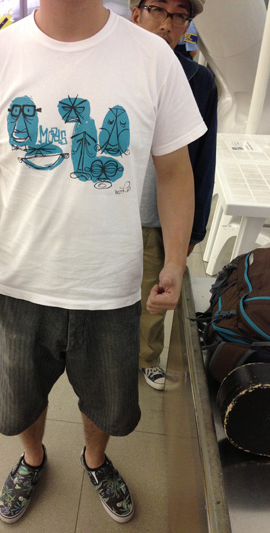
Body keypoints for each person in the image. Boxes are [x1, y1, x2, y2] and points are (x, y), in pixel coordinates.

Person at [0, 0, 206, 525]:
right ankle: (32, 459)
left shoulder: (153, 57)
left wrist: (175, 261)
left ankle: (95, 459)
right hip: (23, 283)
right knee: (21, 400)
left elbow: (176, 171)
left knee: (107, 403)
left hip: (110, 286)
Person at [130, 0, 217, 390]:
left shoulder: (198, 81)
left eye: (179, 15)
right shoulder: (109, 69)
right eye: (158, 10)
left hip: (156, 214)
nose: (167, 23)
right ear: (136, 13)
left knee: (154, 294)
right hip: (107, 208)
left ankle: (146, 357)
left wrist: (194, 228)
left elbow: (203, 158)